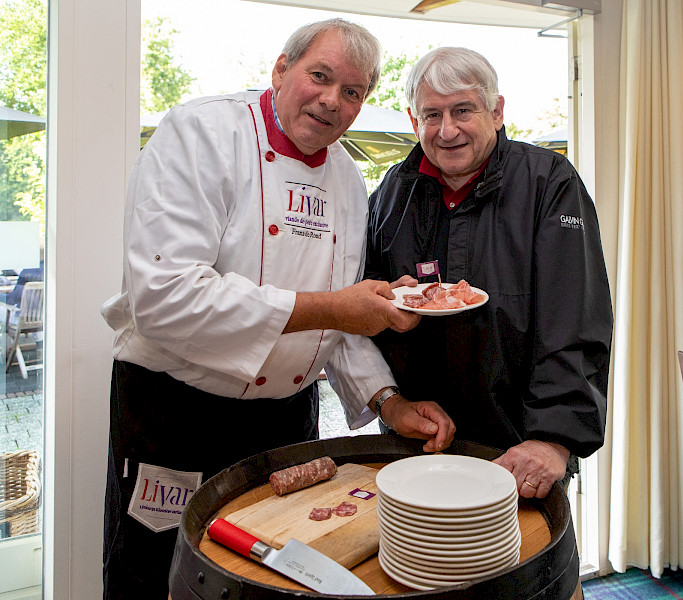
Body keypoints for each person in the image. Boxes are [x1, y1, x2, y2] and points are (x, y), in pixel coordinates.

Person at [100, 19, 455, 599]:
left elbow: (340, 322)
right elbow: (163, 297)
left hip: (285, 418)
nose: (331, 101)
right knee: (157, 575)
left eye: (352, 92)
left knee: (279, 577)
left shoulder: (346, 174)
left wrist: (388, 400)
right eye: (320, 76)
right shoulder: (203, 132)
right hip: (176, 414)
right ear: (281, 69)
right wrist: (334, 307)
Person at [365, 47, 613, 502]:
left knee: (523, 570)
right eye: (431, 114)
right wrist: (384, 306)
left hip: (520, 446)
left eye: (463, 110)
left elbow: (574, 317)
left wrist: (553, 438)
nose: (447, 130)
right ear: (412, 120)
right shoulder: (391, 195)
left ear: (496, 112)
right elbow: (363, 314)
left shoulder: (548, 182)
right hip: (414, 443)